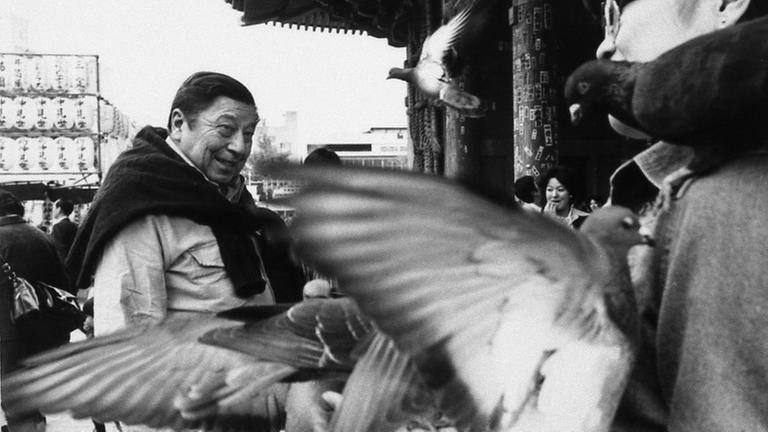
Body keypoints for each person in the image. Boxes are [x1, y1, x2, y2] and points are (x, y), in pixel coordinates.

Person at [65, 72, 311, 429]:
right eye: (226, 130)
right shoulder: (144, 207)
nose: (240, 147)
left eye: (249, 134)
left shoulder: (233, 207)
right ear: (179, 124)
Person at [589, 0, 768, 430]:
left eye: (616, 10)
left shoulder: (731, 196)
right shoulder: (675, 187)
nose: (602, 46)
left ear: (726, 4)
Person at [0, 190, 70, 432]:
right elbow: (64, 286)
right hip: (45, 331)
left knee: (15, 398)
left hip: (9, 333)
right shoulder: (43, 237)